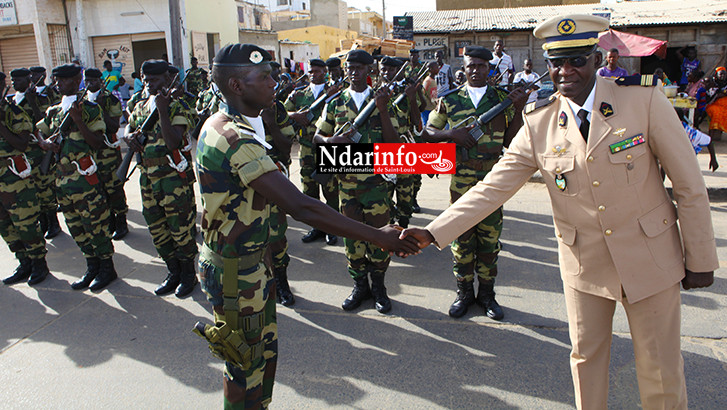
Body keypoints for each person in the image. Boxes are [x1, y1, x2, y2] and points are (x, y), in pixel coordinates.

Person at [402, 14, 718, 409]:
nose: (565, 71)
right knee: (586, 362)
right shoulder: (540, 121)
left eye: (577, 60)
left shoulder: (642, 99)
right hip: (584, 264)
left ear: (597, 58)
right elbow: (491, 188)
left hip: (651, 258)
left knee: (660, 367)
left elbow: (689, 186)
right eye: (556, 62)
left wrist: (701, 258)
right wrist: (433, 232)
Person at [195, 43, 418, 410]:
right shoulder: (234, 138)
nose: (273, 82)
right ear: (236, 85)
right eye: (263, 77)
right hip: (237, 274)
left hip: (250, 264)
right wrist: (380, 237)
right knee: (244, 368)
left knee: (261, 359)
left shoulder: (235, 125)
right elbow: (301, 206)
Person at [424, 45, 527, 320]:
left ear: (489, 69)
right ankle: (464, 293)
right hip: (461, 181)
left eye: (482, 66)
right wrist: (452, 134)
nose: (476, 70)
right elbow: (428, 132)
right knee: (461, 238)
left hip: (493, 182)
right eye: (471, 65)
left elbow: (511, 142)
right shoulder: (451, 100)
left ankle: (487, 295)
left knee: (489, 241)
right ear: (464, 68)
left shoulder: (501, 99)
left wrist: (517, 111)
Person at [314, 49, 409, 314]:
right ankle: (359, 286)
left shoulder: (385, 101)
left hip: (377, 185)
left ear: (371, 71)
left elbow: (394, 145)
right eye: (350, 68)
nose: (353, 72)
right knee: (352, 240)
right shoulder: (335, 103)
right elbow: (317, 137)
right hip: (347, 187)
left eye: (359, 68)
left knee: (379, 239)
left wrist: (382, 111)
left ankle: (379, 286)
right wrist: (331, 141)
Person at [36, 64, 119, 291]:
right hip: (62, 182)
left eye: (63, 80)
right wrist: (45, 144)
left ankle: (106, 269)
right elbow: (39, 132)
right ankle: (91, 266)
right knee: (76, 228)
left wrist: (78, 119)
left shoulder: (90, 109)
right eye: (56, 81)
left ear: (75, 80)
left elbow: (97, 142)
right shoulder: (53, 111)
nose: (58, 84)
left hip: (85, 180)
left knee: (96, 227)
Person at [123, 59, 198, 298]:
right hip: (147, 179)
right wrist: (129, 137)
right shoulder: (141, 105)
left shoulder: (179, 106)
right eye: (145, 80)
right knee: (157, 229)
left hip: (172, 179)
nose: (148, 84)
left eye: (154, 79)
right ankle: (172, 272)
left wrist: (162, 110)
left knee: (181, 230)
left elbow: (173, 141)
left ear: (167, 79)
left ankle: (188, 276)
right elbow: (130, 126)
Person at [0, 70, 52, 286]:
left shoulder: (14, 112)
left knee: (26, 225)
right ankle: (24, 262)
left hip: (15, 179)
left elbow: (21, 144)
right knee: (5, 226)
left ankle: (39, 264)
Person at [284, 58, 342, 245]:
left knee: (331, 190)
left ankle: (332, 226)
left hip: (327, 148)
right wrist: (295, 115)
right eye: (311, 71)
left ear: (325, 72)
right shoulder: (299, 94)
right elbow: (281, 113)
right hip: (307, 150)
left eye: (317, 71)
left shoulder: (335, 93)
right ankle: (316, 226)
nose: (313, 74)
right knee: (309, 190)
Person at [8, 67, 62, 239]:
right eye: (13, 80)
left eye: (19, 80)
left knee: (45, 189)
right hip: (21, 153)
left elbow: (44, 124)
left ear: (28, 80)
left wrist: (32, 102)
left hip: (38, 151)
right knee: (33, 191)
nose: (15, 83)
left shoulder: (41, 99)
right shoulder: (11, 102)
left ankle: (53, 223)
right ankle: (43, 223)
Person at [83, 68, 129, 241]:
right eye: (87, 81)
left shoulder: (110, 99)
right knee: (99, 189)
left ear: (101, 82)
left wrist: (101, 108)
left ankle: (121, 220)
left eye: (93, 81)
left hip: (107, 152)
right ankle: (110, 220)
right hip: (90, 153)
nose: (89, 84)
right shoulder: (82, 99)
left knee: (114, 188)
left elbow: (114, 127)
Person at [705, 66, 727, 142]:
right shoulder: (712, 84)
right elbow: (711, 97)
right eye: (720, 74)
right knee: (717, 112)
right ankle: (712, 134)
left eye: (724, 74)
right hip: (712, 105)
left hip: (724, 105)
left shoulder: (725, 84)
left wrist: (722, 94)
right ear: (716, 75)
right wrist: (720, 94)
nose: (722, 76)